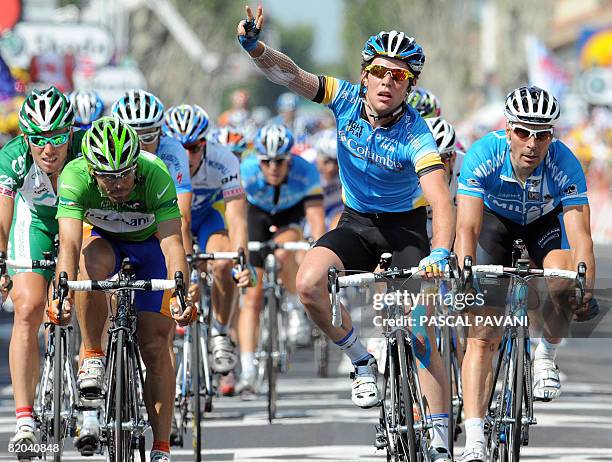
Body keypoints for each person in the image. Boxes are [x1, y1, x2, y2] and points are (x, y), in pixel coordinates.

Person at [236, 6, 455, 460]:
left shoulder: (417, 133)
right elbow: (291, 75)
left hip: (405, 230)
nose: (386, 81)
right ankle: (360, 359)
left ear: (409, 85)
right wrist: (256, 49)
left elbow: (439, 198)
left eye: (398, 76)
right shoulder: (344, 97)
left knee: (424, 326)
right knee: (309, 283)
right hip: (355, 223)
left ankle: (438, 434)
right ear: (364, 74)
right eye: (378, 71)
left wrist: (440, 253)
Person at [454, 86, 596, 462]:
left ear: (552, 135)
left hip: (542, 227)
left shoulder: (564, 163)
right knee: (482, 335)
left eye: (543, 134)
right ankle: (474, 440)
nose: (532, 143)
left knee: (565, 277)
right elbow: (466, 229)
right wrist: (463, 277)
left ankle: (545, 356)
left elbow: (582, 237)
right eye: (523, 132)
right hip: (494, 226)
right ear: (507, 129)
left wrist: (584, 288)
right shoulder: (484, 154)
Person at [54, 116, 207, 462]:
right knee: (87, 266)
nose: (119, 183)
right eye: (108, 177)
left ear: (136, 164)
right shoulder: (74, 177)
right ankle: (93, 354)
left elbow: (173, 245)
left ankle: (162, 445)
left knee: (154, 345)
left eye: (125, 173)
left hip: (150, 247)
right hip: (105, 242)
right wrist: (61, 292)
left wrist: (181, 291)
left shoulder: (155, 173)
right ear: (92, 172)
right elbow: (68, 244)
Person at [0, 86, 81, 458]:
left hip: (78, 222)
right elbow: (2, 219)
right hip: (32, 224)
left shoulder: (86, 149)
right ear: (26, 138)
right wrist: (1, 261)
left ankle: (89, 379)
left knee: (84, 295)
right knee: (29, 308)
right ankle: (25, 420)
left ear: (71, 132)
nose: (49, 149)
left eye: (58, 138)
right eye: (38, 140)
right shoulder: (13, 157)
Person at [163, 103, 255, 383]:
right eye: (179, 147)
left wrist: (243, 261)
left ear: (206, 143)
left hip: (208, 218)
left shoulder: (224, 160)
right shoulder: (159, 160)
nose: (186, 155)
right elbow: (180, 220)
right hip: (169, 221)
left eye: (193, 147)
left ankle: (220, 330)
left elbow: (237, 218)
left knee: (224, 262)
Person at [237, 123, 325, 392]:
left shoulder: (306, 171)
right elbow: (237, 217)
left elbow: (316, 219)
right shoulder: (247, 171)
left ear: (290, 159)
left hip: (290, 215)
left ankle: (295, 303)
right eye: (267, 162)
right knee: (252, 295)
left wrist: (317, 252)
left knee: (285, 252)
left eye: (280, 161)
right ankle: (248, 368)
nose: (273, 168)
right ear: (258, 160)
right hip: (257, 214)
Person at [112, 90, 193, 256]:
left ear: (160, 133)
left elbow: (182, 215)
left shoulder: (173, 151)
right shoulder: (107, 150)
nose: (140, 145)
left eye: (148, 136)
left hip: (153, 222)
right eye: (131, 135)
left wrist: (187, 261)